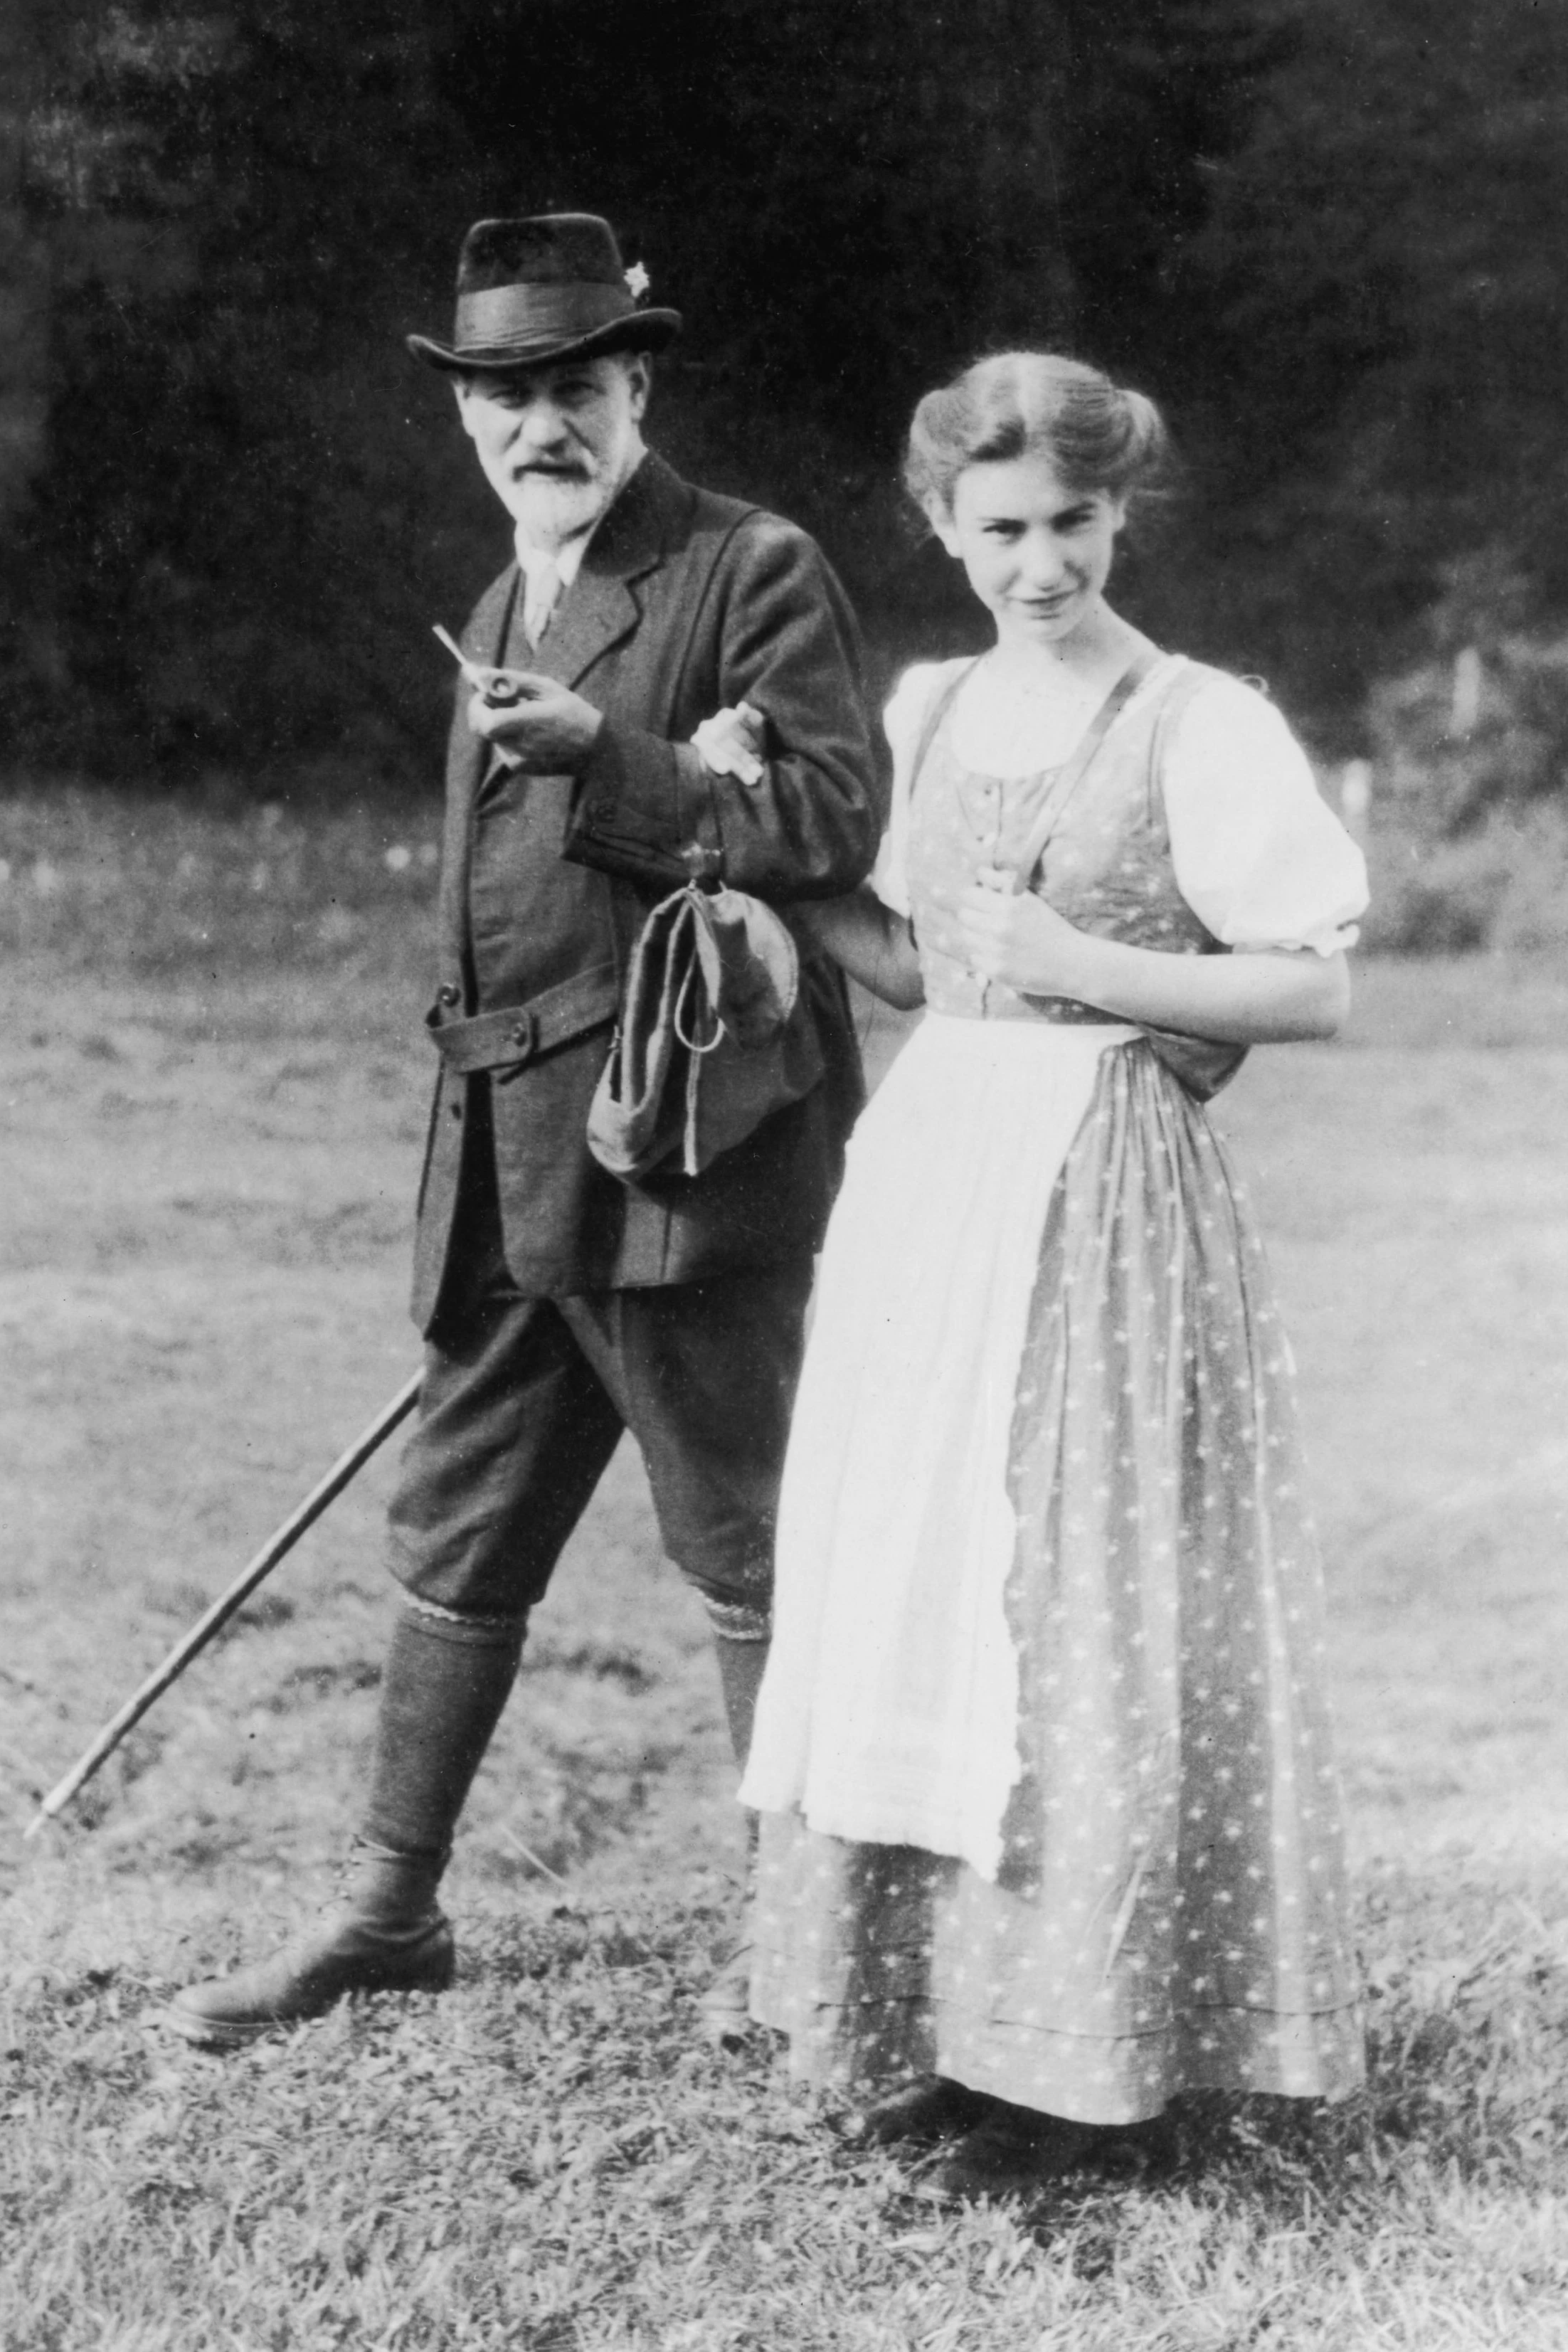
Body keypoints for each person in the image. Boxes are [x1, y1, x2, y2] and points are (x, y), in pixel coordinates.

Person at [168, 213, 879, 2049]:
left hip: (679, 1151)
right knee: (458, 1531)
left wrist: (613, 761)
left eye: (575, 386)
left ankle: (798, 1942)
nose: (538, 425)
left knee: (744, 1540)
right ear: (463, 415)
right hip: (501, 1164)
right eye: (502, 394)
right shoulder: (501, 602)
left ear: (638, 387)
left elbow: (828, 823)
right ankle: (385, 1915)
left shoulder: (748, 566)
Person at [736, 353, 1369, 2196]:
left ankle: (1085, 2065)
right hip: (936, 1173)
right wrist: (744, 850)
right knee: (920, 1577)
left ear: (1118, 513)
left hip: (1105, 1184)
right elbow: (921, 962)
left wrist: (1084, 961)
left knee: (1070, 1595)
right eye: (1000, 528)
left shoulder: (1197, 721)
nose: (1040, 564)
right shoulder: (926, 708)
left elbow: (1310, 984)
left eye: (1072, 523)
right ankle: (941, 2026)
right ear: (941, 527)